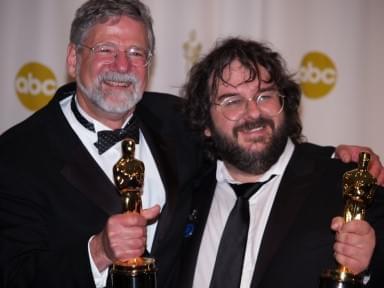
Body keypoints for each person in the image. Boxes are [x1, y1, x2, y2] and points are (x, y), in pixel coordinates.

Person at [0, 1, 382, 287]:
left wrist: (339, 159)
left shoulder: (175, 122)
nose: (122, 64)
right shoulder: (17, 156)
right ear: (72, 57)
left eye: (136, 53)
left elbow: (255, 138)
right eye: (105, 50)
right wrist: (97, 251)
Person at [173, 38, 384, 288]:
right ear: (206, 123)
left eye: (264, 96)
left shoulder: (346, 185)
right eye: (232, 101)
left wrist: (368, 267)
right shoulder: (187, 191)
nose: (253, 113)